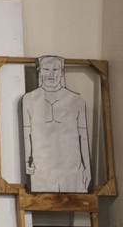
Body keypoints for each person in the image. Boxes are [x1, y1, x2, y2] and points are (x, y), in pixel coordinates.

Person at [22, 55, 91, 193]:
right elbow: (26, 135)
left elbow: (83, 137)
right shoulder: (29, 99)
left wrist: (88, 168)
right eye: (46, 69)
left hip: (72, 168)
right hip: (42, 168)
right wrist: (27, 163)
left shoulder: (76, 100)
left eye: (55, 69)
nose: (51, 74)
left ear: (61, 72)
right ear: (40, 71)